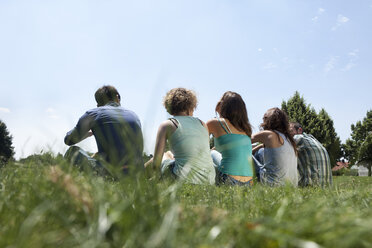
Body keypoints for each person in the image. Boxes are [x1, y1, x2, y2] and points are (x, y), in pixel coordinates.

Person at [64, 85, 143, 174]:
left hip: (109, 173)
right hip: (136, 174)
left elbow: (68, 140)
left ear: (98, 104)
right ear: (117, 98)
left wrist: (86, 134)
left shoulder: (93, 113)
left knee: (72, 151)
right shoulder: (134, 116)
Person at [145, 88, 216, 185]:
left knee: (165, 155)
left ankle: (137, 174)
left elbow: (157, 162)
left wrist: (156, 177)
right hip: (209, 180)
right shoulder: (202, 124)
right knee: (169, 154)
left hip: (183, 179)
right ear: (190, 107)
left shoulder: (168, 124)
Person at [206, 91, 254, 186]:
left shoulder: (215, 123)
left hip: (229, 178)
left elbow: (199, 146)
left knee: (212, 153)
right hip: (249, 182)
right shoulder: (246, 129)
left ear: (223, 106)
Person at [251, 108, 298, 186]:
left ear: (269, 120)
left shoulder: (269, 134)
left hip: (272, 184)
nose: (262, 120)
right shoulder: (289, 140)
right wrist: (258, 147)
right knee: (260, 151)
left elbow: (244, 140)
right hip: (290, 187)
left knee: (247, 154)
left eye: (264, 117)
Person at [289, 122, 333, 187]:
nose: (288, 134)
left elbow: (281, 144)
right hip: (327, 188)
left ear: (300, 130)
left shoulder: (299, 138)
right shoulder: (314, 140)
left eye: (290, 131)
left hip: (312, 187)